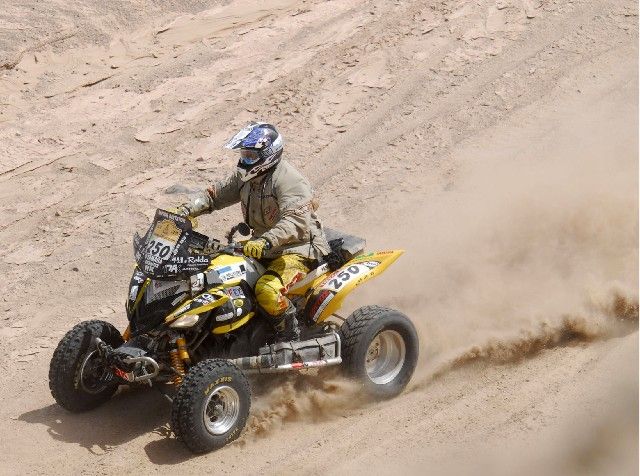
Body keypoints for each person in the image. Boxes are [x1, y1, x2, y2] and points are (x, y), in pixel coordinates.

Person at [177, 122, 330, 342]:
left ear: (267, 155)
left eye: (250, 155)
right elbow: (213, 196)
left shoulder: (289, 180)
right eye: (243, 154)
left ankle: (289, 337)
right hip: (262, 247)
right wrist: (185, 211)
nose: (244, 160)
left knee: (267, 291)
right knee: (213, 277)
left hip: (297, 250)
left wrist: (266, 241)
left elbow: (296, 221)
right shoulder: (245, 177)